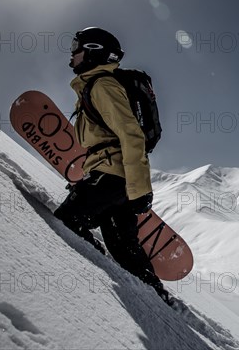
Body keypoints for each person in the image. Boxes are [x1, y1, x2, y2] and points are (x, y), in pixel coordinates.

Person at [54, 27, 174, 306]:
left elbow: (131, 135)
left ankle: (91, 295)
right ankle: (161, 301)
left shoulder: (102, 86)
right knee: (124, 249)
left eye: (77, 46)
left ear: (94, 51)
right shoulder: (94, 86)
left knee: (68, 219)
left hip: (113, 177)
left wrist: (140, 189)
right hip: (114, 177)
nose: (72, 53)